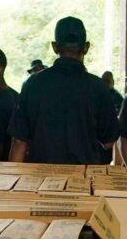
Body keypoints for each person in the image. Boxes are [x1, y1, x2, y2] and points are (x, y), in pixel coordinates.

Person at [9, 16, 119, 165]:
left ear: (55, 47)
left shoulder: (33, 84)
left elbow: (19, 143)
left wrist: (12, 183)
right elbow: (110, 140)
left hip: (41, 181)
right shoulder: (98, 87)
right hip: (84, 180)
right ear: (86, 47)